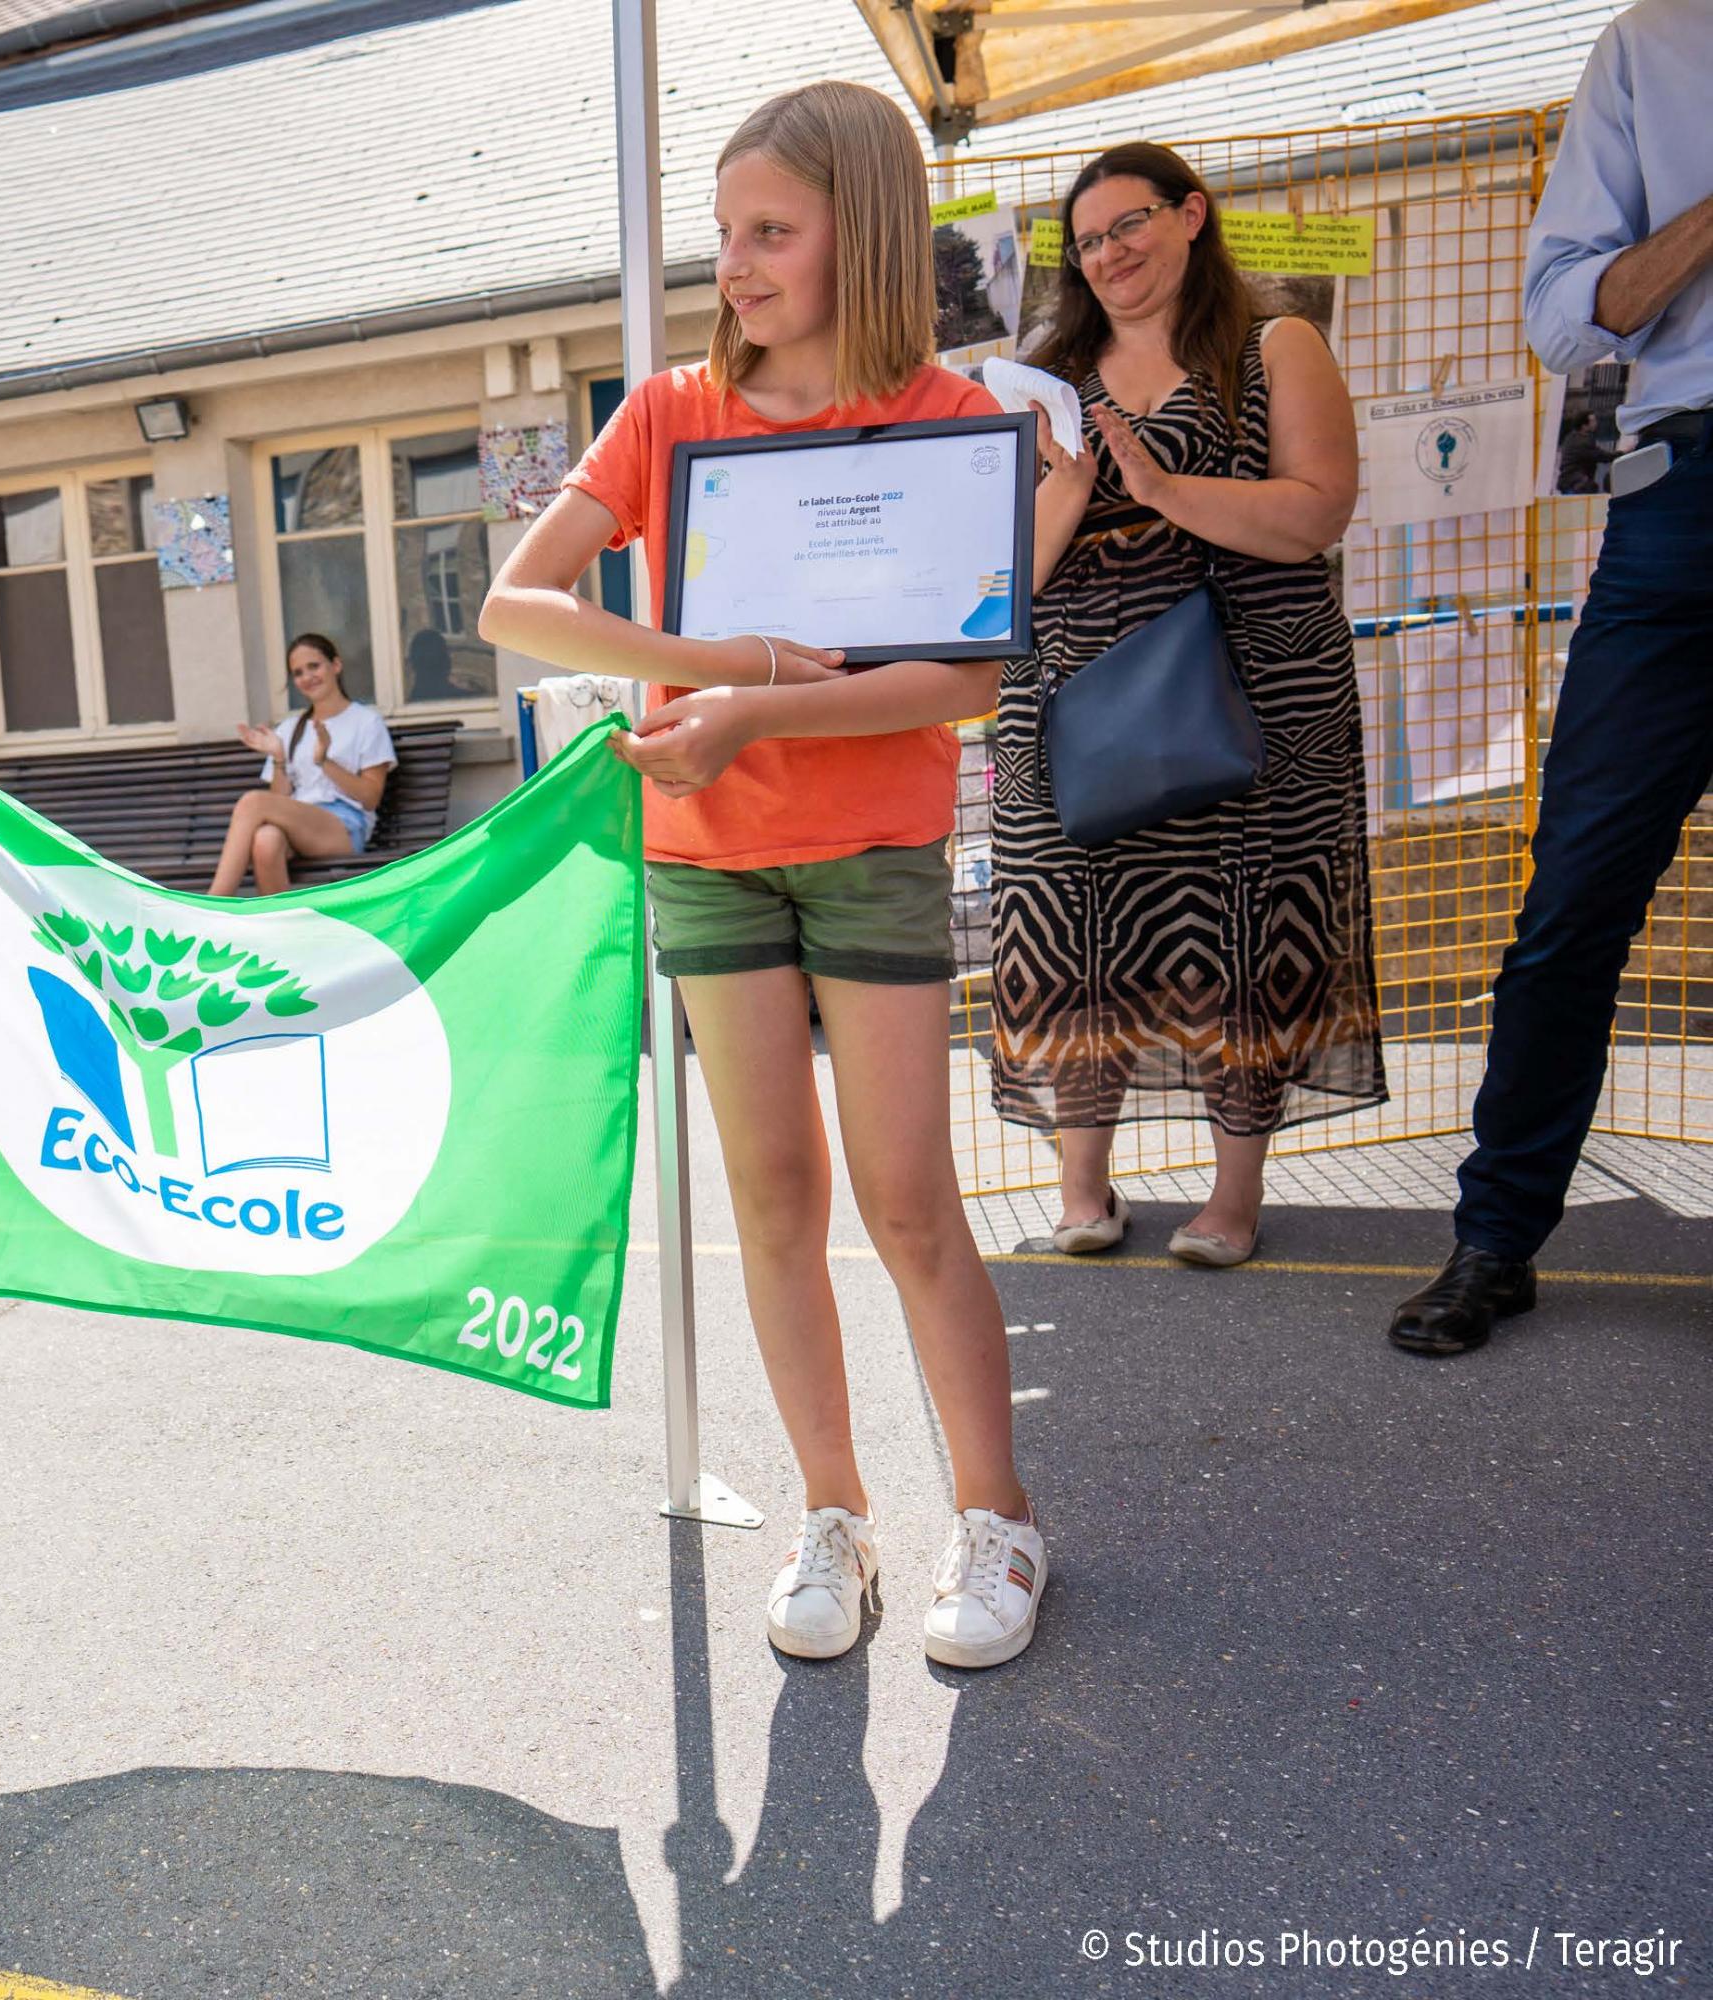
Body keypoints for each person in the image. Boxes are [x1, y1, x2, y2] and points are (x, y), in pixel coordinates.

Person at [481, 79, 1044, 1670]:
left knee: (908, 1204)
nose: (734, 263)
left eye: (770, 232)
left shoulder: (948, 420)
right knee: (771, 1201)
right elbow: (519, 610)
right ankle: (834, 1512)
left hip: (872, 852)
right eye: (725, 232)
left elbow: (960, 682)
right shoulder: (668, 411)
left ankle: (994, 1518)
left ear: (860, 236)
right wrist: (709, 669)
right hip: (710, 860)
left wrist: (758, 712)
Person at [992, 143, 1381, 1268]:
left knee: (1246, 922)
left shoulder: (1274, 344)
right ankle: (1082, 1187)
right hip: (1068, 699)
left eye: (1131, 224)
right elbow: (1000, 575)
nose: (1110, 253)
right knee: (1071, 924)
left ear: (1193, 216)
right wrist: (1071, 491)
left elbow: (1314, 514)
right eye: (1090, 238)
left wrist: (1161, 488)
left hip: (1254, 686)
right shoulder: (1042, 373)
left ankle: (1233, 1196)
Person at [1394, 0, 1713, 1354]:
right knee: (1573, 892)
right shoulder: (1655, 44)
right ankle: (1496, 1240)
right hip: (1684, 498)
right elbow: (1564, 321)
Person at [206, 633, 397, 895]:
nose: (307, 677)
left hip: (343, 825)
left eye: (314, 666)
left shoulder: (366, 722)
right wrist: (279, 758)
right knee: (266, 840)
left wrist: (324, 762)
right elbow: (278, 800)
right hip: (300, 819)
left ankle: (213, 905)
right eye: (298, 673)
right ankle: (281, 932)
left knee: (252, 801)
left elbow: (371, 798)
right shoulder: (290, 728)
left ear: (336, 666)